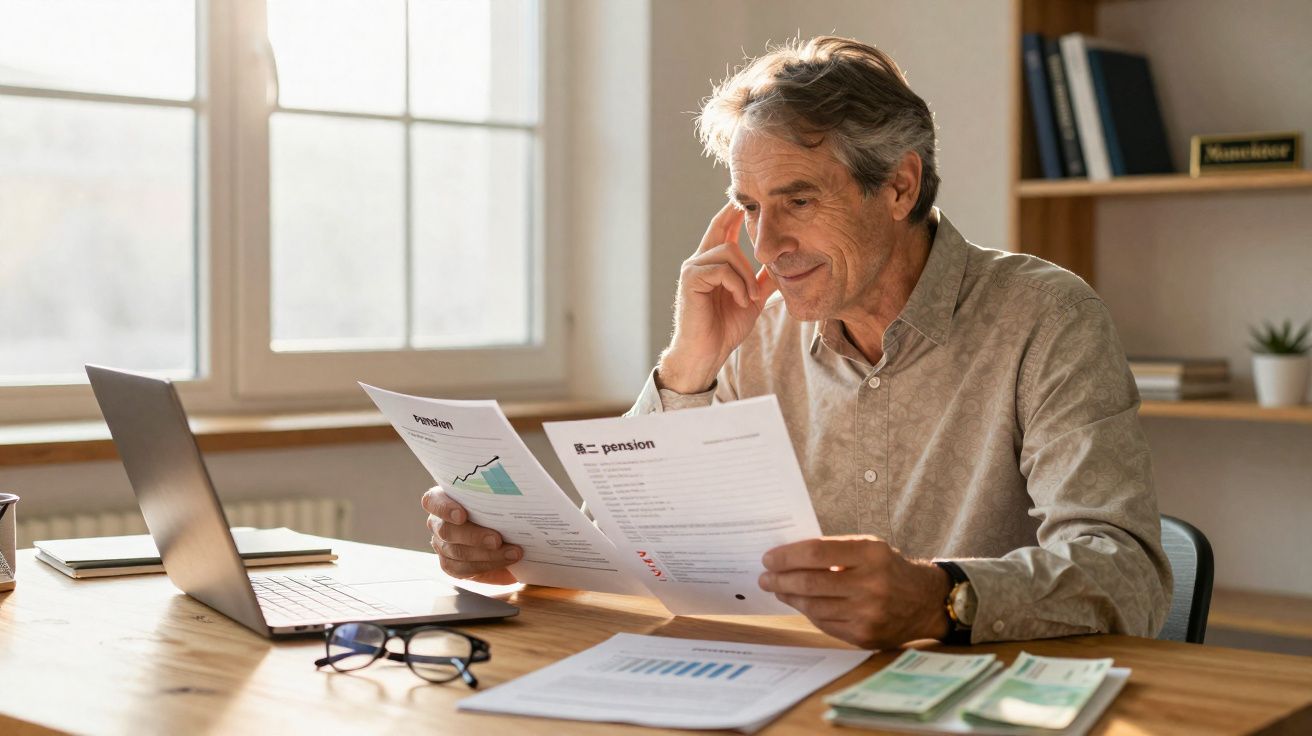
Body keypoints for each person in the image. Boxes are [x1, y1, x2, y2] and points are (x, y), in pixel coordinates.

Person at [422, 36, 1171, 649]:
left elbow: (1127, 576)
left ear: (900, 187)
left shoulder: (1046, 318)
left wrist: (940, 598)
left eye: (799, 200)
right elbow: (635, 554)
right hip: (778, 689)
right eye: (749, 207)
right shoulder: (754, 332)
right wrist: (687, 368)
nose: (766, 243)